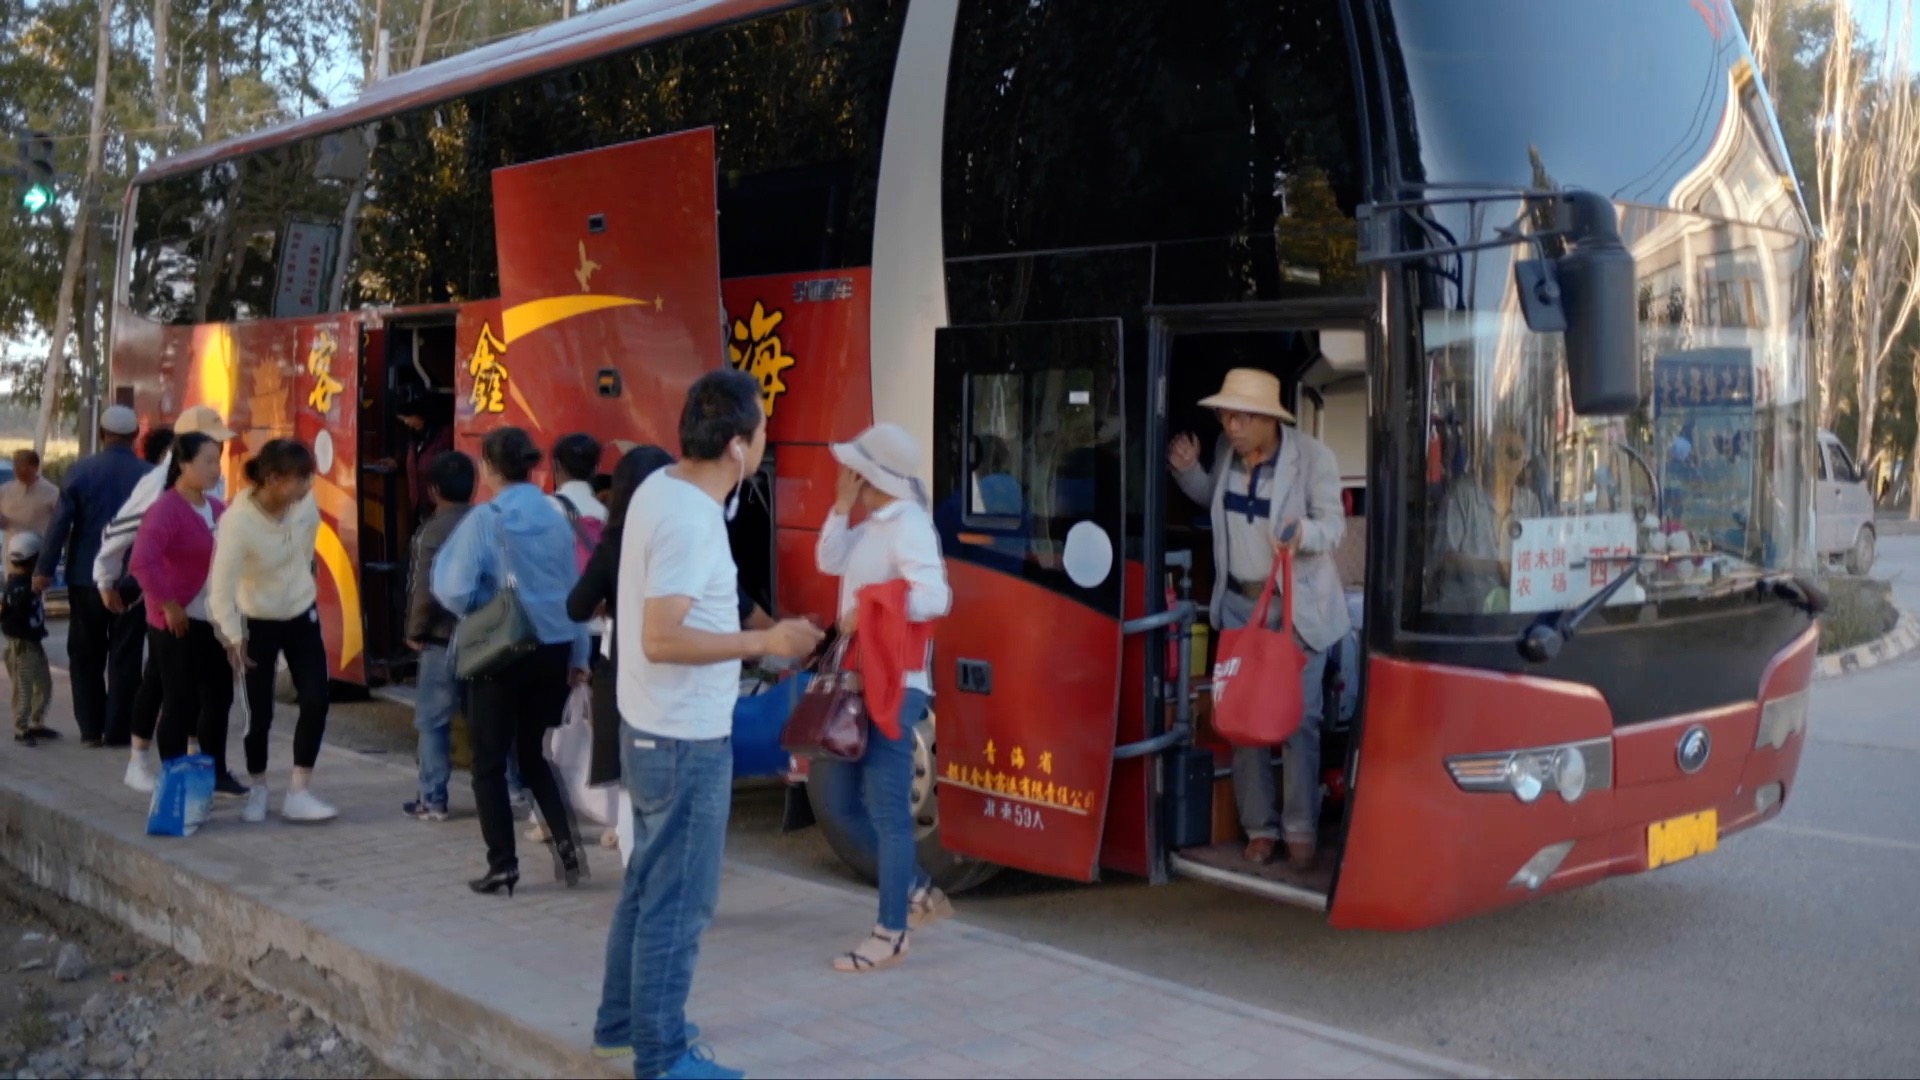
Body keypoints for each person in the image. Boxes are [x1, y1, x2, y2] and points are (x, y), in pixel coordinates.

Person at [593, 369, 822, 1080]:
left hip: (651, 726)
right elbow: (663, 636)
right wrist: (770, 643)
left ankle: (622, 1023)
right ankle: (660, 1058)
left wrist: (764, 631)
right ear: (735, 444)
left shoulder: (663, 488)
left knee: (647, 882)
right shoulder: (691, 517)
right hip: (684, 737)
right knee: (681, 901)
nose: (763, 445)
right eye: (760, 433)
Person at [1169, 369, 1350, 872]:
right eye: (1226, 414)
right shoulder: (1229, 454)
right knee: (1243, 721)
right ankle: (1259, 829)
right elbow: (1215, 498)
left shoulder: (1313, 458)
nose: (1231, 424)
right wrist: (1190, 473)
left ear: (1270, 418)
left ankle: (1300, 830)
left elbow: (1334, 526)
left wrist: (1302, 533)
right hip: (1241, 606)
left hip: (1299, 610)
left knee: (1299, 720)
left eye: (1242, 415)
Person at [815, 422, 955, 973]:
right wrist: (839, 508)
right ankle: (916, 890)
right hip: (862, 678)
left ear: (875, 476)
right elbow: (829, 560)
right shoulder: (875, 521)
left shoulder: (909, 524)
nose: (847, 477)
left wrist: (869, 606)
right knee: (845, 798)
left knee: (888, 811)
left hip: (895, 684)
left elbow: (935, 597)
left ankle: (890, 931)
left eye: (856, 471)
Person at [432, 427, 591, 896]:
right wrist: (579, 656)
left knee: (488, 763)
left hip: (503, 650)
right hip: (556, 649)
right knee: (534, 756)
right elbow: (574, 591)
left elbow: (453, 589)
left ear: (488, 467)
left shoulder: (489, 519)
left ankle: (502, 865)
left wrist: (487, 601)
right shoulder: (560, 514)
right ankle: (568, 852)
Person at [206, 439, 335, 824]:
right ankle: (258, 787)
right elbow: (221, 587)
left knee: (316, 698)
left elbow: (308, 546)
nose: (308, 487)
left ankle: (299, 790)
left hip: (300, 610)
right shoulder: (238, 522)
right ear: (273, 479)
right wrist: (232, 635)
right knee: (258, 713)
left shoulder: (304, 506)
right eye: (300, 480)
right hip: (256, 619)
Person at [129, 432, 247, 795]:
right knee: (178, 701)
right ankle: (175, 779)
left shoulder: (216, 509)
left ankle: (215, 772)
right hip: (175, 623)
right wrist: (168, 604)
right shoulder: (166, 509)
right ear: (183, 464)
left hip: (212, 621)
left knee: (217, 698)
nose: (216, 469)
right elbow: (142, 562)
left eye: (218, 460)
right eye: (208, 461)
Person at [36, 406, 150, 746]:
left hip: (85, 578)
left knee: (85, 654)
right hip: (133, 580)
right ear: (134, 437)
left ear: (102, 434)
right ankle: (118, 731)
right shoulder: (150, 475)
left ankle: (90, 729)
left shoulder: (80, 472)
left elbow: (60, 524)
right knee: (126, 655)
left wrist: (43, 570)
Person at [403, 450, 475, 822]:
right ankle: (515, 793)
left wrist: (414, 631)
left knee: (433, 722)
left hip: (439, 639)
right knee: (489, 719)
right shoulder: (485, 523)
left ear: (433, 490)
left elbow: (423, 590)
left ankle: (433, 798)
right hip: (482, 639)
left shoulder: (431, 531)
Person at [1428, 426, 1544, 615]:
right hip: (1467, 615)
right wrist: (1495, 566)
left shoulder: (1530, 503)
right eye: (1495, 453)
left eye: (1513, 454)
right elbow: (1444, 559)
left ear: (1524, 462)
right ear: (1487, 457)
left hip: (1517, 615)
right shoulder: (1463, 496)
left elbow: (1538, 558)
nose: (1501, 461)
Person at [1, 532, 52, 746]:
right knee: (23, 687)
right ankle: (21, 728)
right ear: (32, 560)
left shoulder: (28, 583)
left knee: (44, 683)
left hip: (34, 642)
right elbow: (9, 614)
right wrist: (30, 593)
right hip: (21, 645)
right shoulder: (15, 588)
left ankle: (36, 722)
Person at [393, 385, 453, 521]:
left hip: (440, 508)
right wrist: (397, 462)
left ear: (419, 413)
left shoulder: (445, 435)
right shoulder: (414, 436)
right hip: (421, 507)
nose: (406, 422)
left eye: (407, 417)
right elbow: (416, 460)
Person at [0, 450, 61, 560]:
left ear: (35, 467)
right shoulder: (4, 491)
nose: (17, 470)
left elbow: (61, 522)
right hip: (11, 555)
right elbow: (3, 523)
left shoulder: (52, 492)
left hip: (39, 555)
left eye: (22, 465)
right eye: (16, 465)